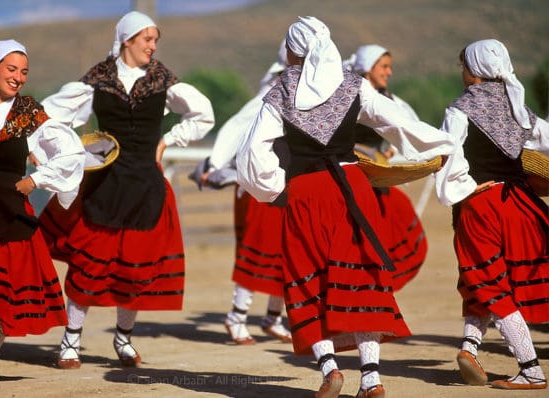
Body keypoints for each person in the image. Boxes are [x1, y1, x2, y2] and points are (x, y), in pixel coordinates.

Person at [236, 16, 456, 398]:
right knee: (361, 276)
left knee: (307, 280)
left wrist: (273, 190)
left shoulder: (281, 90)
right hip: (353, 189)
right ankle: (370, 377)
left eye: (288, 45)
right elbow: (399, 124)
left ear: (296, 49)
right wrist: (442, 148)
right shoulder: (354, 85)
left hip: (305, 191)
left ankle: (329, 370)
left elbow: (252, 154)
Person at [37, 11, 215, 369]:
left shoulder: (162, 79)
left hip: (146, 185)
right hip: (105, 184)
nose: (153, 46)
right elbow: (48, 116)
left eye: (155, 40)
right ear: (127, 40)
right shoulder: (97, 81)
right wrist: (76, 150)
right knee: (88, 264)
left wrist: (167, 141)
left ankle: (123, 338)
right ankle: (71, 341)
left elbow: (203, 113)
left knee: (135, 267)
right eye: (147, 39)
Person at [0, 39, 85, 387]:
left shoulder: (30, 113)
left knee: (0, 279)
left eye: (24, 71)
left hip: (8, 203)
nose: (18, 77)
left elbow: (71, 153)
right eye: (11, 69)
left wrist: (36, 179)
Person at [435, 39, 548, 391]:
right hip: (522, 205)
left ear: (475, 70)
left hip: (482, 206)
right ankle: (469, 350)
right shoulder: (518, 107)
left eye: (463, 66)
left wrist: (458, 191)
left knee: (490, 283)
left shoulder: (460, 109)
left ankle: (531, 369)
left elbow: (448, 159)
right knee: (482, 281)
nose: (462, 73)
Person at [189, 40, 292, 345]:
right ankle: (236, 316)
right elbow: (238, 126)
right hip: (259, 183)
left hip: (287, 182)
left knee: (286, 252)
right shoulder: (273, 90)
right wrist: (215, 162)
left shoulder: (307, 90)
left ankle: (273, 318)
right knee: (256, 249)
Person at [345, 44, 428, 291]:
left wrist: (394, 149)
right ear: (367, 69)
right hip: (350, 179)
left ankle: (374, 297)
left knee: (396, 225)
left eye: (389, 67)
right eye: (384, 66)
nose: (389, 72)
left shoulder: (387, 98)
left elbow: (409, 125)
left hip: (375, 179)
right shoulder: (350, 95)